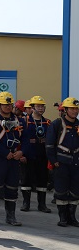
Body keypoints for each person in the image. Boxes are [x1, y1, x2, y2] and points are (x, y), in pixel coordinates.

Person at [0, 91, 29, 226]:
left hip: (14, 159)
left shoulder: (20, 121)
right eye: (5, 105)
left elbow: (26, 139)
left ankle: (11, 217)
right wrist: (4, 153)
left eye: (9, 105)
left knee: (12, 188)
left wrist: (22, 152)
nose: (8, 107)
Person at [46, 97, 79, 227]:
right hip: (61, 163)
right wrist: (54, 161)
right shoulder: (57, 124)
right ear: (65, 110)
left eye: (76, 109)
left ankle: (72, 217)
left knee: (75, 191)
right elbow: (49, 145)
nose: (75, 111)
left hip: (76, 163)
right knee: (61, 190)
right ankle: (63, 218)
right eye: (72, 108)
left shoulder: (78, 125)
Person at [20, 96, 51, 213]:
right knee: (26, 179)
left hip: (42, 155)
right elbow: (19, 139)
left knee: (42, 180)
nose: (41, 108)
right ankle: (26, 203)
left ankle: (42, 204)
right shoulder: (24, 121)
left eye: (42, 106)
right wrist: (21, 154)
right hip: (28, 155)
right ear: (32, 107)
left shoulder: (47, 122)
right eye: (38, 106)